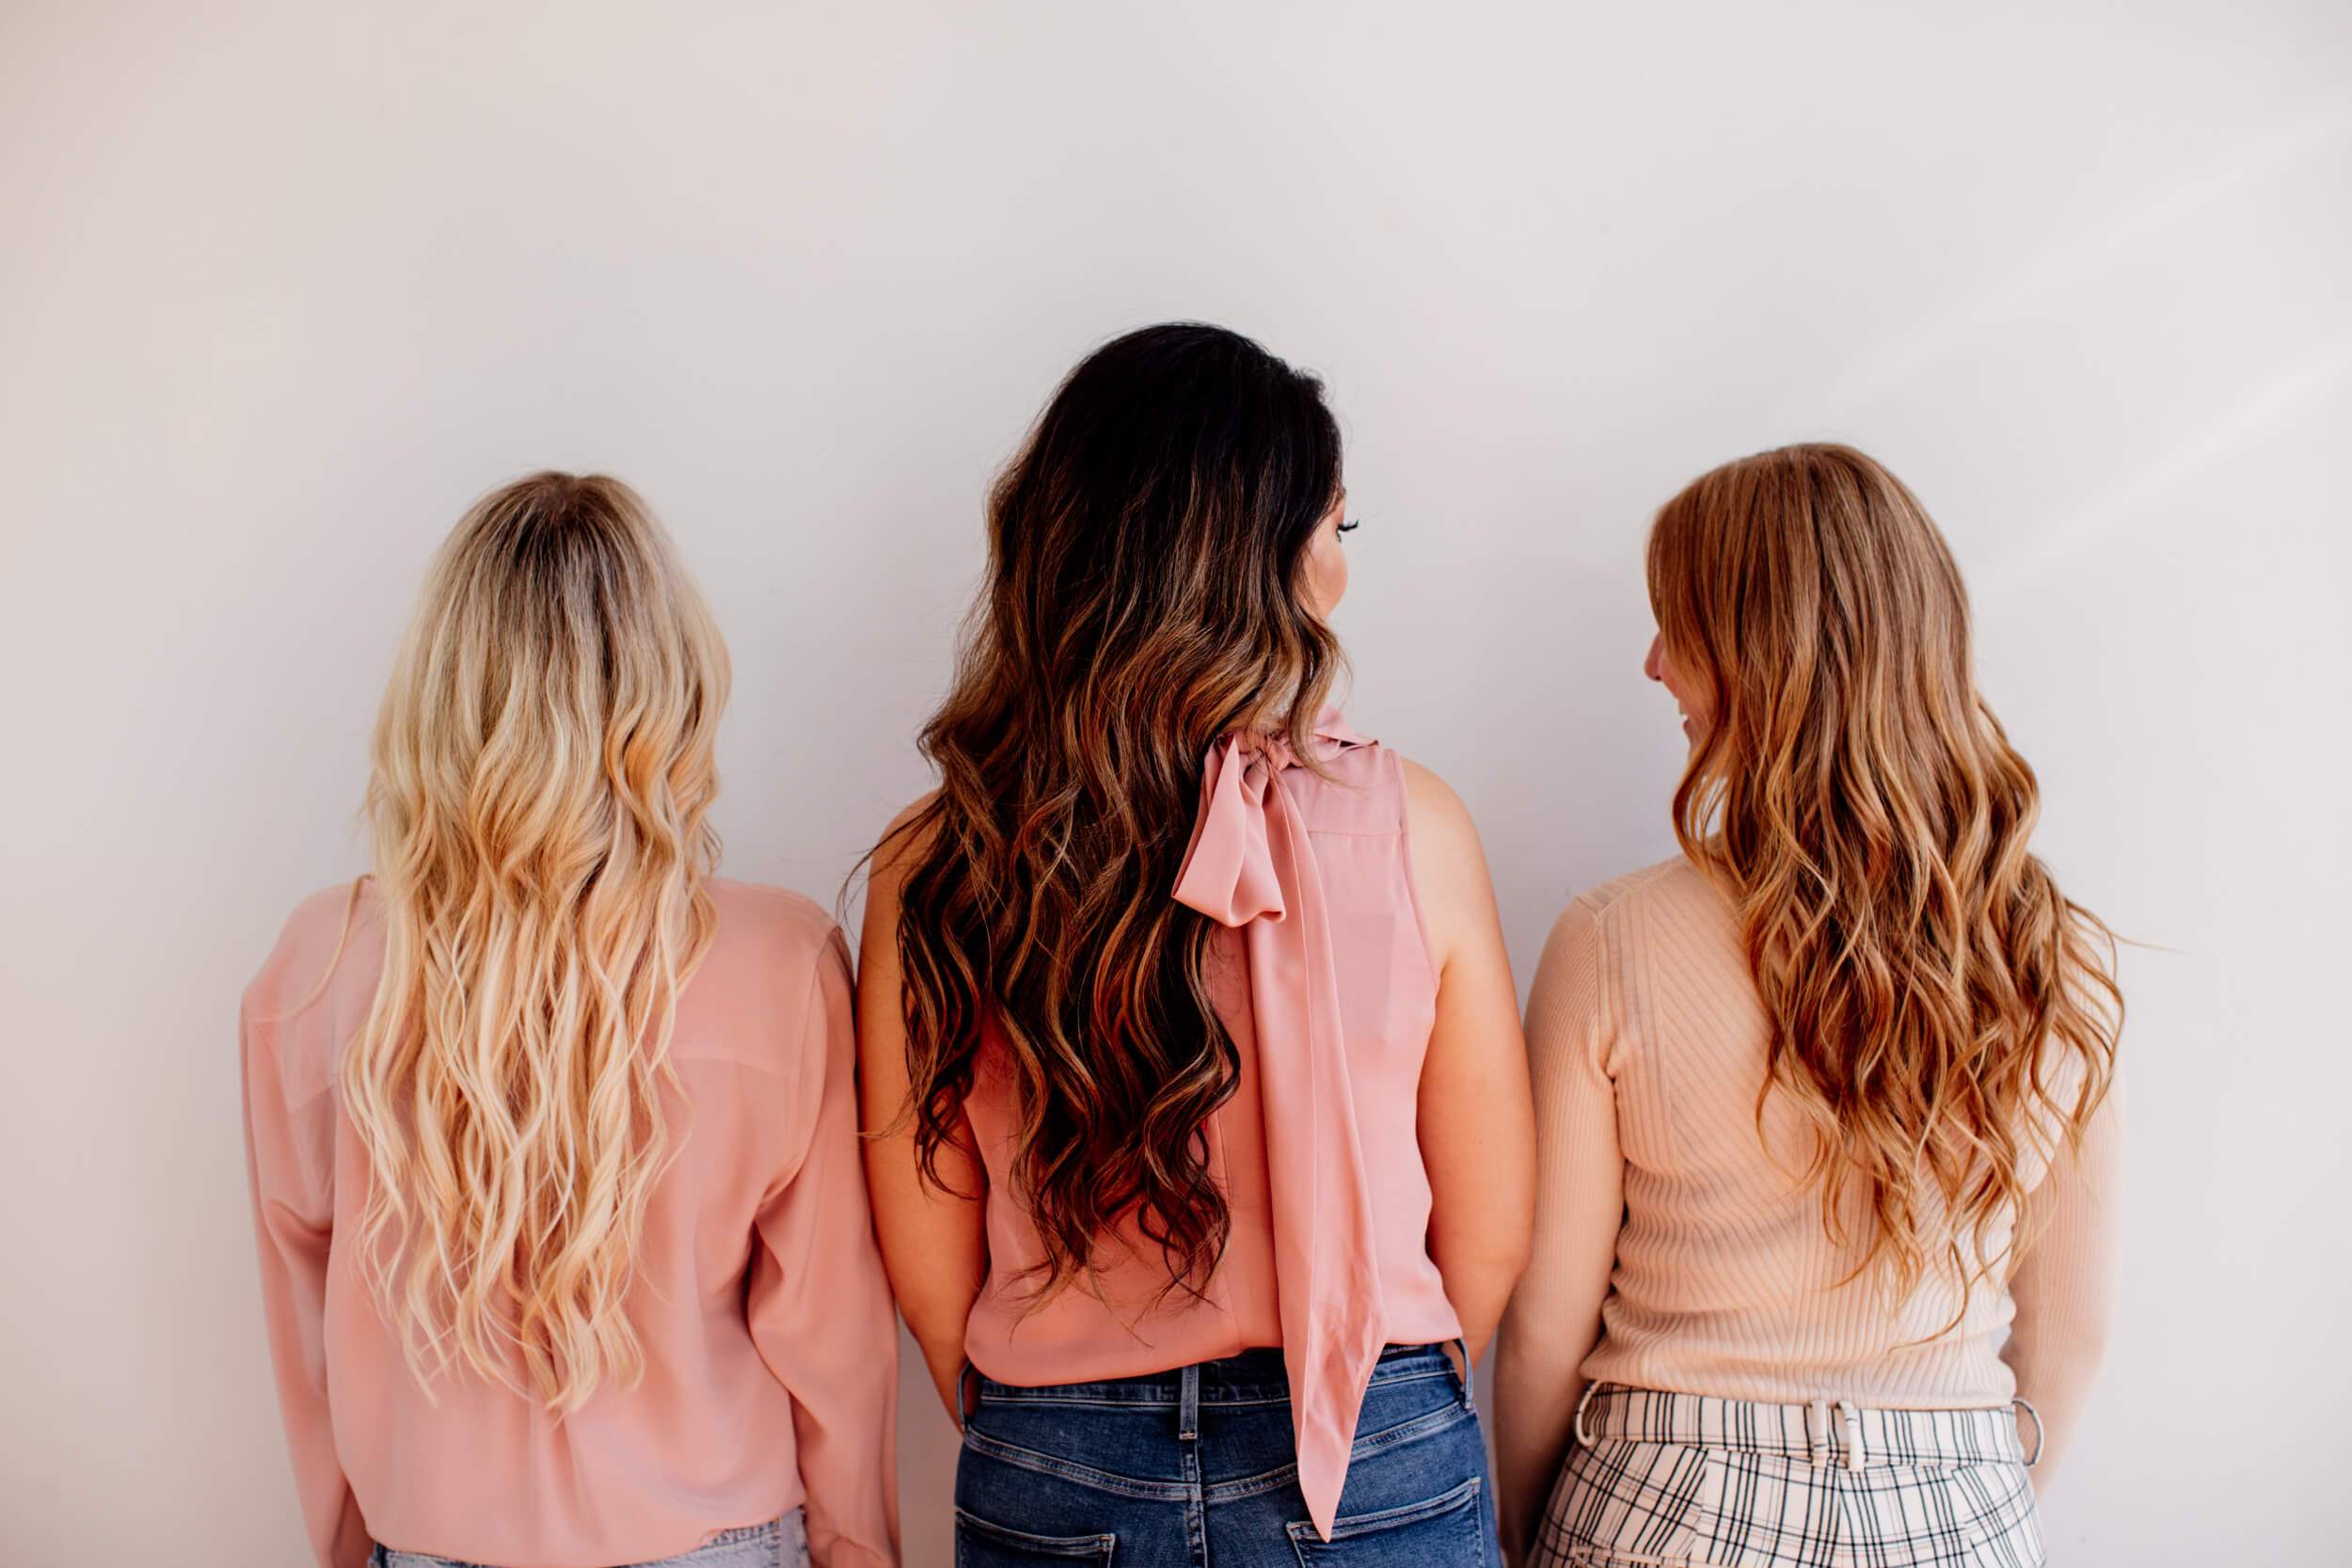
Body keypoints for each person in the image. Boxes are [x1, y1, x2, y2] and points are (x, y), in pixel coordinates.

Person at [857, 324, 1535, 1563]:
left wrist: (1049, 1409)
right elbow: (1487, 1225)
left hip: (1052, 1447)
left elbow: (926, 1244)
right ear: (1262, 559)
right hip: (1368, 1442)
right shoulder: (1413, 826)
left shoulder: (937, 857)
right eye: (1338, 525)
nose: (1342, 563)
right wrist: (1385, 1400)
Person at [240, 473, 899, 1568]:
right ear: (672, 682)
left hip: (429, 1546)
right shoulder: (778, 961)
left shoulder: (316, 967)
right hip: (717, 1542)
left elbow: (309, 1332)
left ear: (440, 687)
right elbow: (830, 1340)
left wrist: (350, 1542)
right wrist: (856, 1549)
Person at [1494, 444, 2122, 1567]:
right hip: (1957, 1497)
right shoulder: (2049, 953)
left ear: (1760, 654)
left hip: (1665, 1491)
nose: (1649, 666)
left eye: (1675, 627)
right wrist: (1962, 1500)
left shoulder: (1613, 938)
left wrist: (1522, 1525)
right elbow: (2070, 1335)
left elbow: (1545, 1325)